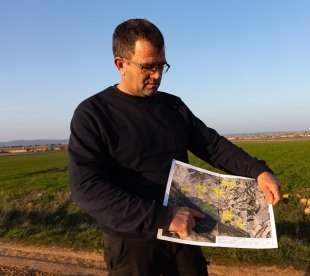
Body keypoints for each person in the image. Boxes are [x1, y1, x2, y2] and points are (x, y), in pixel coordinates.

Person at [68, 18, 281, 276]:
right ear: (120, 64)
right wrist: (163, 217)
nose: (157, 75)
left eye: (161, 65)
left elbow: (212, 145)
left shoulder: (173, 107)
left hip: (183, 234)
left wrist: (257, 171)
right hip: (132, 243)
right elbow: (87, 188)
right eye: (148, 67)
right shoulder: (93, 114)